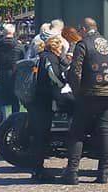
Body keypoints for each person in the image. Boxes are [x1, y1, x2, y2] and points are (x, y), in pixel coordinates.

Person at [62, 17, 108, 185]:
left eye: (80, 30)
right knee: (104, 131)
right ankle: (103, 173)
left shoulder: (83, 44)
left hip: (89, 94)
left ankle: (72, 173)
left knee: (77, 132)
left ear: (84, 29)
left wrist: (77, 92)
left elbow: (75, 71)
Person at [30, 35, 69, 181]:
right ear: (57, 47)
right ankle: (38, 171)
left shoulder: (42, 56)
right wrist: (63, 83)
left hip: (40, 99)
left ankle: (37, 169)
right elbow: (55, 76)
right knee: (42, 134)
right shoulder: (50, 58)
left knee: (40, 134)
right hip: (44, 99)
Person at [0, 23, 25, 124]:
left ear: (3, 32)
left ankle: (1, 122)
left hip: (1, 74)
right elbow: (24, 61)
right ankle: (15, 121)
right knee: (15, 100)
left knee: (1, 100)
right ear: (13, 32)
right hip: (15, 75)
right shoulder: (19, 47)